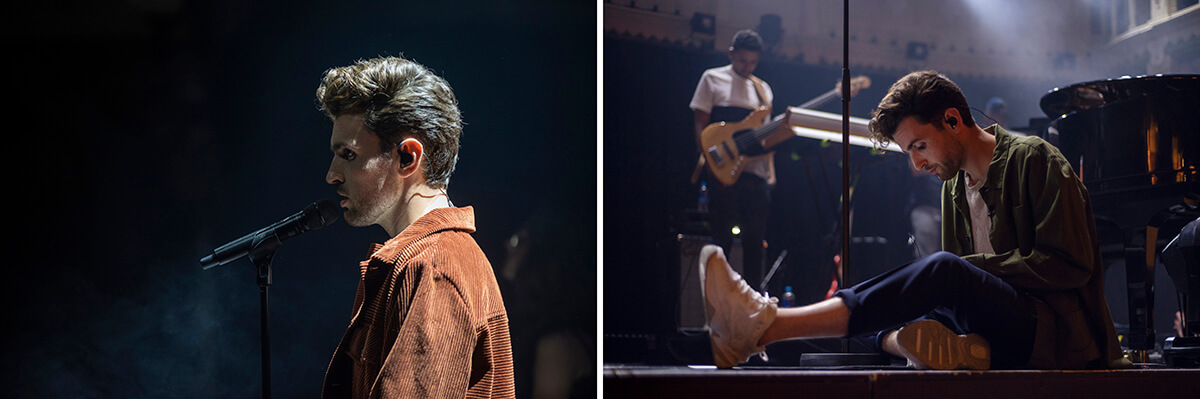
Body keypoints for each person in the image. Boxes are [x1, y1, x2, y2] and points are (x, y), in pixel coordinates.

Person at [700, 70, 1130, 371]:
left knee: (940, 271)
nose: (917, 162)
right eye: (910, 151)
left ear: (953, 120)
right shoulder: (954, 187)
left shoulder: (1034, 158)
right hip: (996, 330)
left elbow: (1071, 263)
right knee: (892, 308)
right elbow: (963, 290)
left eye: (919, 145)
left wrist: (966, 272)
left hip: (1055, 337)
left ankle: (765, 326)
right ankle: (930, 346)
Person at [316, 56, 515, 398]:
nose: (331, 175)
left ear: (407, 157)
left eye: (348, 154)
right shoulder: (423, 261)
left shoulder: (435, 268)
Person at [689, 29, 775, 290]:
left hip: (754, 173)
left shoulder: (763, 90)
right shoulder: (712, 79)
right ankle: (717, 301)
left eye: (752, 62)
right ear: (731, 53)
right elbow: (700, 126)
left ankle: (753, 306)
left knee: (755, 241)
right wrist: (713, 165)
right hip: (721, 171)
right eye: (741, 60)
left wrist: (771, 174)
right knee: (721, 240)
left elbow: (765, 138)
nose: (746, 66)